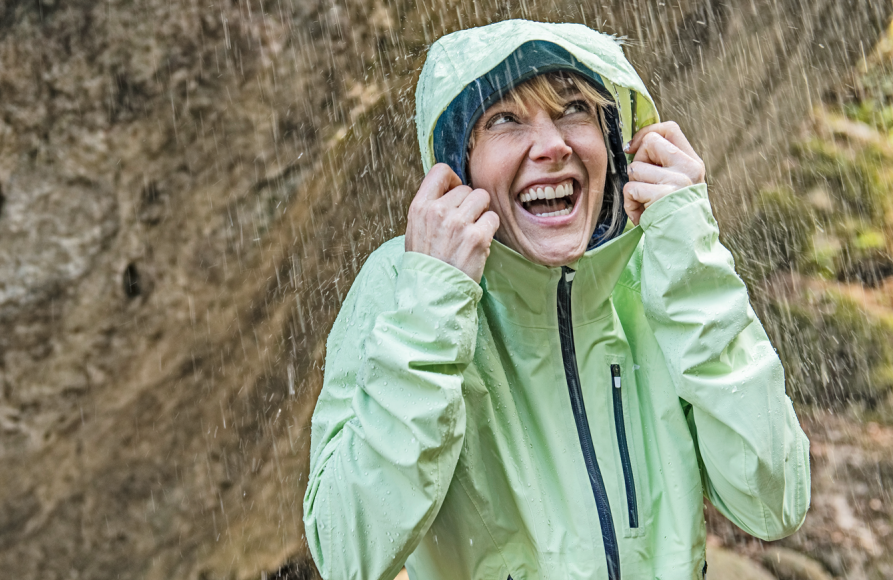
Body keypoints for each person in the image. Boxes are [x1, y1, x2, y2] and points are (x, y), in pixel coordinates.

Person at [302, 19, 810, 580]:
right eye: (504, 119)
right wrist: (430, 312)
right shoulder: (403, 282)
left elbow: (773, 501)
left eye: (572, 109)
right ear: (458, 166)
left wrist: (693, 259)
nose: (551, 145)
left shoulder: (662, 265)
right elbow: (347, 555)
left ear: (615, 142)